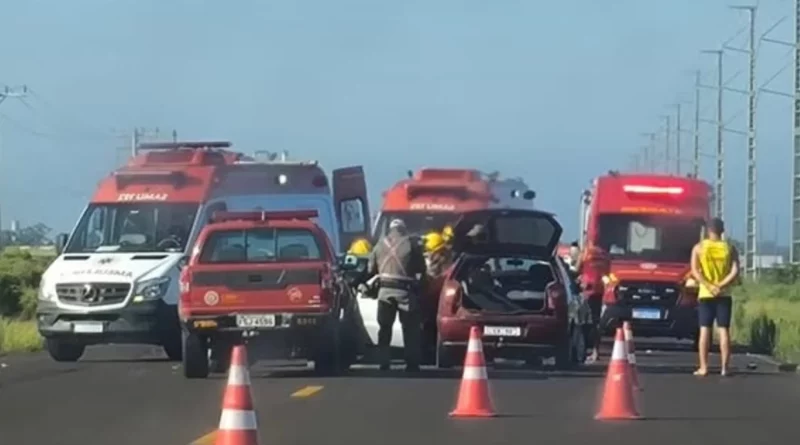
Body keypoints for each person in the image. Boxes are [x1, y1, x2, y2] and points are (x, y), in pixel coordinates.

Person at [367, 218, 427, 372]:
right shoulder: (412, 244)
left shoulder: (379, 245)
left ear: (390, 230)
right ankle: (412, 363)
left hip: (384, 292)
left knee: (384, 328)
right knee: (410, 329)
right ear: (403, 230)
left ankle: (384, 362)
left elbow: (370, 269)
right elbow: (421, 268)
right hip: (405, 292)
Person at [690, 217, 739, 377]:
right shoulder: (730, 248)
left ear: (708, 230)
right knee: (724, 330)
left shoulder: (699, 248)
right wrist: (721, 285)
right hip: (724, 294)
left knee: (704, 330)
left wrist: (710, 285)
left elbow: (695, 271)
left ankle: (704, 367)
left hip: (706, 293)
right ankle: (725, 368)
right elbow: (735, 271)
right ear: (722, 231)